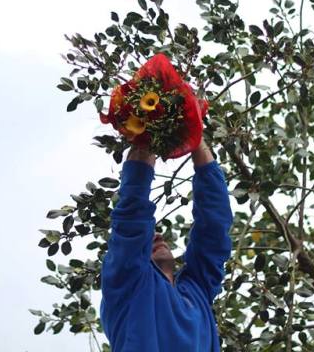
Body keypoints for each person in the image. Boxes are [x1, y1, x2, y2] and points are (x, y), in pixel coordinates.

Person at [100, 139, 234, 351]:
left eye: (157, 234)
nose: (157, 236)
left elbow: (214, 228)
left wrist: (196, 139)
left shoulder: (196, 291)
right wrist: (147, 132)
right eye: (148, 237)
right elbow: (131, 216)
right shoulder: (127, 285)